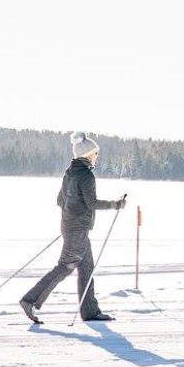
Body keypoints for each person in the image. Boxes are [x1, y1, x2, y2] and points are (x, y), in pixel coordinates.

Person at [20, 132, 127, 323]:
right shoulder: (86, 176)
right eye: (96, 153)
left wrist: (71, 216)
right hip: (77, 230)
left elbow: (60, 201)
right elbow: (92, 203)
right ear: (88, 154)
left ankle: (90, 312)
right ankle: (30, 300)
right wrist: (115, 205)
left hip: (72, 227)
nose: (97, 156)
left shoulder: (69, 173)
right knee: (65, 267)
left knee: (86, 268)